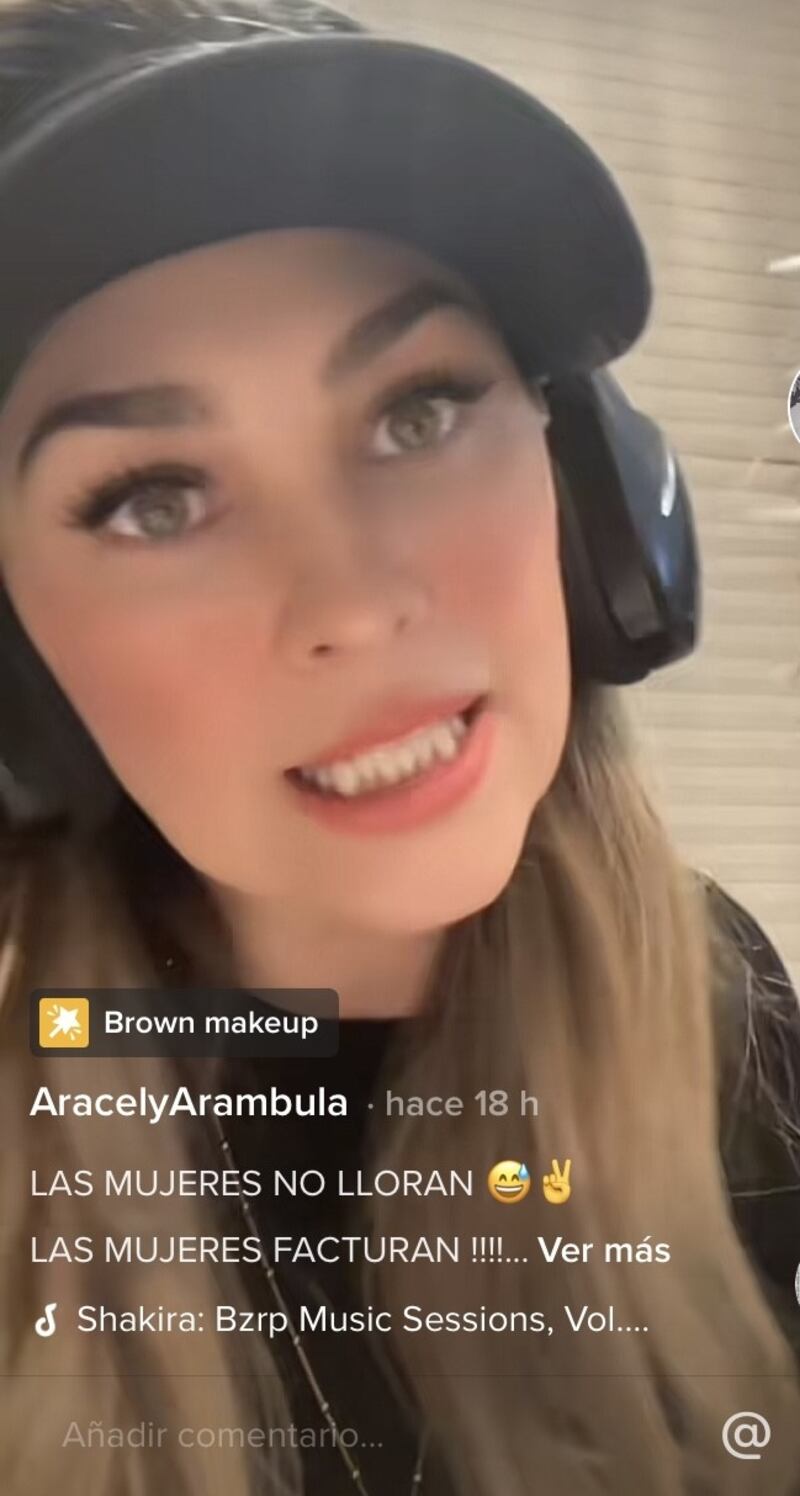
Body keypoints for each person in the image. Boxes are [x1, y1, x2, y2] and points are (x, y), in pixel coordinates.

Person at [0, 2, 799, 1495]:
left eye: (419, 411)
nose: (357, 602)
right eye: (154, 499)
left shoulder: (715, 998)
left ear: (590, 501)